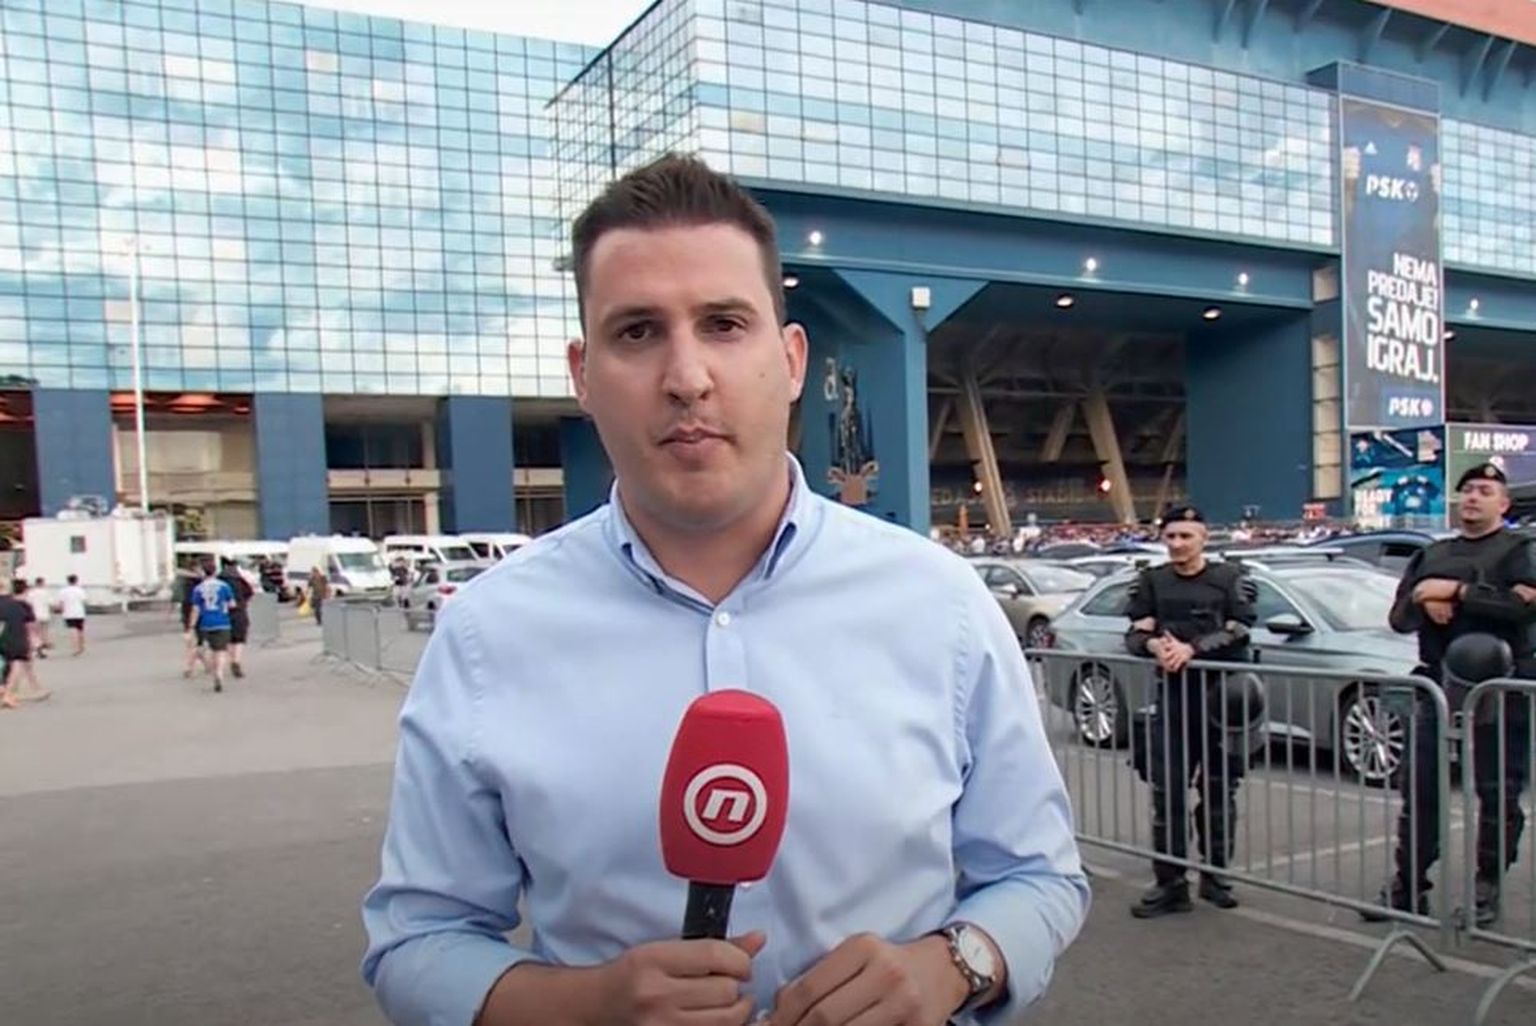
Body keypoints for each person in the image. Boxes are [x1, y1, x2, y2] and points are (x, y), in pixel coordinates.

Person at [361, 154, 1088, 1026]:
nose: (687, 377)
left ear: (790, 359)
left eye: (724, 324)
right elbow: (418, 941)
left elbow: (1039, 875)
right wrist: (584, 1004)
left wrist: (956, 964)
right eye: (638, 332)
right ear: (582, 375)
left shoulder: (943, 605)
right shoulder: (487, 632)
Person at [1369, 461, 1535, 926]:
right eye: (1467, 490)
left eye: (1484, 490)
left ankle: (1486, 888)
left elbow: (1522, 609)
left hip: (1499, 689)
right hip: (1437, 685)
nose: (1473, 497)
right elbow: (1399, 618)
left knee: (1497, 792)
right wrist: (1425, 599)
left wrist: (1458, 592)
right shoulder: (1433, 553)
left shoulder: (1520, 551)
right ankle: (1408, 886)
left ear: (1503, 503)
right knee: (1420, 788)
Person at [1124, 505, 1258, 918]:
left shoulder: (1229, 578)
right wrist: (1153, 646)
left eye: (1186, 536)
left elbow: (1241, 629)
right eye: (1171, 536)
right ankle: (1170, 884)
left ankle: (1216, 878)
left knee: (1218, 790)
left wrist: (1192, 649)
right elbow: (1135, 633)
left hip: (1221, 700)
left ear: (1204, 538)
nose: (1178, 544)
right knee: (1168, 793)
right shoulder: (1152, 581)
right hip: (1174, 698)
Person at [189, 561, 235, 693]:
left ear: (203, 572)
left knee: (209, 649)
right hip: (222, 621)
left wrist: (191, 625)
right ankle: (219, 674)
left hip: (206, 622)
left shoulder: (198, 588)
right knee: (221, 651)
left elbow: (196, 609)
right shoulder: (224, 586)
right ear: (215, 571)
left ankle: (211, 668)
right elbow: (232, 604)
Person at [0, 579, 46, 708]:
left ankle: (3, 689)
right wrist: (35, 640)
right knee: (16, 665)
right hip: (14, 638)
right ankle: (8, 695)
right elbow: (30, 625)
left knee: (4, 665)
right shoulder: (20, 605)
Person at [218, 558, 255, 678]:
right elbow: (250, 592)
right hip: (239, 610)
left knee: (228, 639)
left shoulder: (219, 580)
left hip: (223, 612)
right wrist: (243, 602)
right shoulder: (240, 580)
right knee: (239, 639)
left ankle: (231, 659)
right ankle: (236, 661)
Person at [58, 574, 87, 656]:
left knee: (72, 630)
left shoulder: (63, 591)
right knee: (80, 630)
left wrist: (61, 611)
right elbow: (84, 601)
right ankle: (81, 646)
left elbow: (61, 603)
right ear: (76, 581)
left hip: (68, 613)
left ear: (68, 581)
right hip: (79, 613)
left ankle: (76, 648)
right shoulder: (80, 590)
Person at [28, 576, 52, 657]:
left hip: (35, 615)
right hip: (45, 614)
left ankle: (38, 649)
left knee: (36, 633)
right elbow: (51, 603)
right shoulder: (46, 593)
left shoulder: (31, 593)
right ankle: (44, 648)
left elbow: (29, 604)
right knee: (45, 632)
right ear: (42, 583)